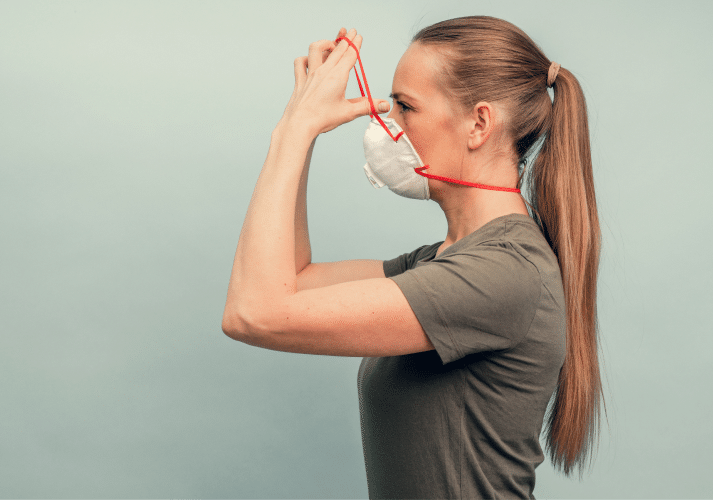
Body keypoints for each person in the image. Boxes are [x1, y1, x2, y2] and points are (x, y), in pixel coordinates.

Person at [222, 16, 603, 499]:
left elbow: (254, 313)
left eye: (405, 106)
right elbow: (290, 280)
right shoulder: (449, 262)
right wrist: (303, 130)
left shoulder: (504, 273)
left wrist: (291, 133)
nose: (387, 125)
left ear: (479, 124)